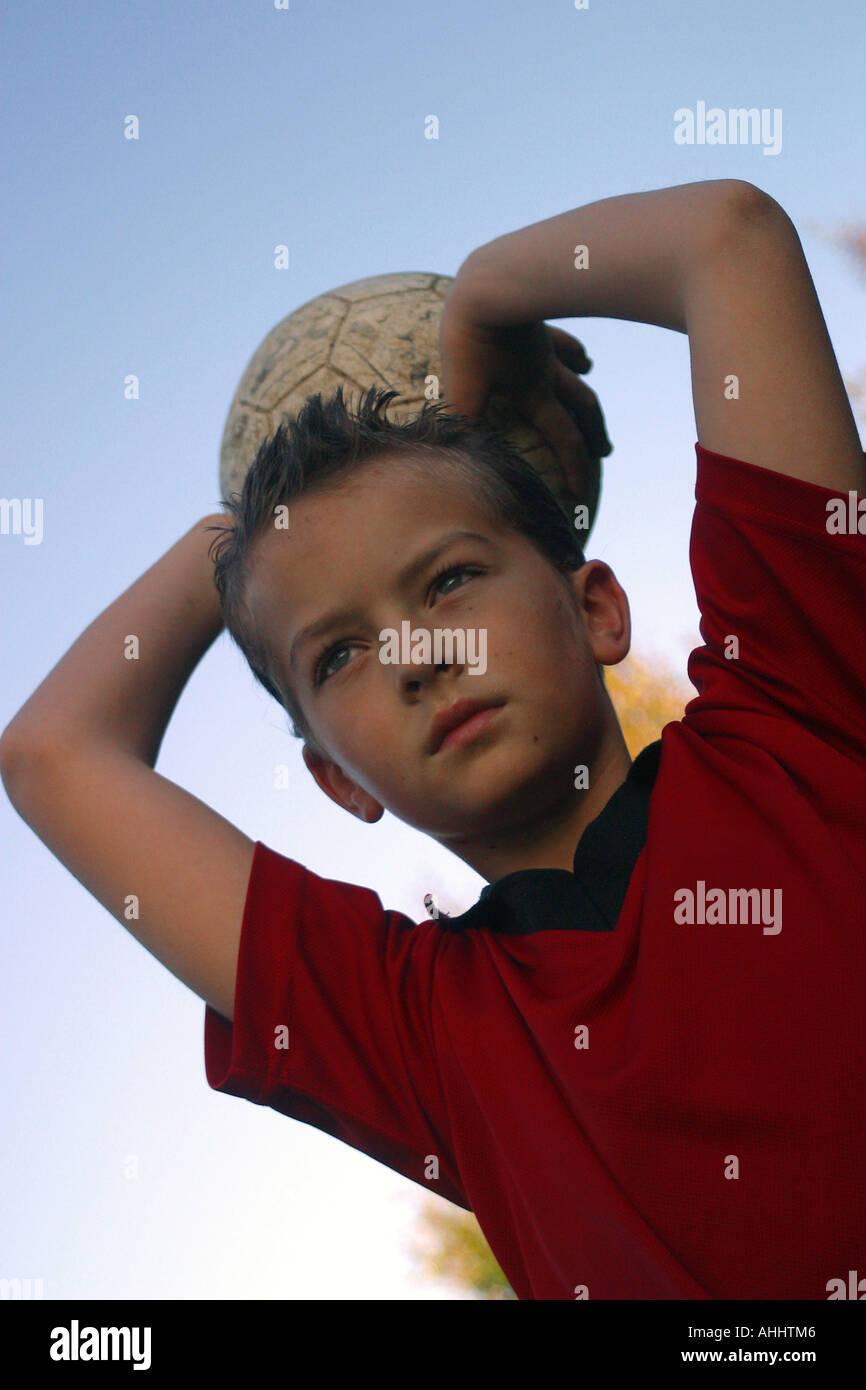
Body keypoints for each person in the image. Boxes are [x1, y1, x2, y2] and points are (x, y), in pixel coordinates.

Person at [2, 179, 864, 1300]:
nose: (411, 652)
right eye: (339, 655)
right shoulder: (422, 1035)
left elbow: (726, 238)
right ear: (335, 778)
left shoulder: (802, 714)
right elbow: (52, 751)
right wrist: (249, 528)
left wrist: (488, 294)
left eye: (448, 578)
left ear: (595, 605)